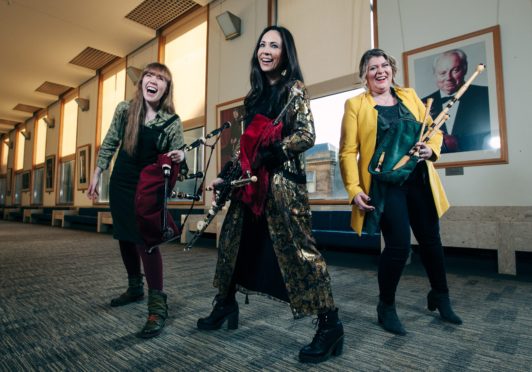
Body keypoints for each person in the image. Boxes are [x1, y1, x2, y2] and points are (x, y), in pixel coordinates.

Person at [197, 26, 344, 364]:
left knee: (301, 255)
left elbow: (306, 134)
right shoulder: (254, 97)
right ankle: (225, 304)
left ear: (284, 54)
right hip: (248, 186)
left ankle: (330, 324)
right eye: (262, 44)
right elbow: (243, 150)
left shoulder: (294, 89)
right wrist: (226, 175)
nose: (265, 50)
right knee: (234, 243)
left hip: (281, 188)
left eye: (273, 46)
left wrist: (274, 148)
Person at [339, 48, 462, 336]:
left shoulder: (409, 96)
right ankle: (386, 306)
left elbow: (434, 130)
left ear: (392, 69)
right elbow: (347, 152)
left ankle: (440, 296)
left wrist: (429, 149)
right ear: (365, 76)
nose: (380, 71)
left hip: (418, 179)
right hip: (386, 186)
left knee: (432, 241)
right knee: (398, 247)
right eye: (372, 68)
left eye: (384, 65)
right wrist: (354, 188)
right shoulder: (355, 104)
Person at [87, 62, 186, 338]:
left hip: (148, 187)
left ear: (166, 88)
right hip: (121, 182)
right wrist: (97, 173)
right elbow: (109, 143)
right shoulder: (124, 110)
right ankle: (134, 287)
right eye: (150, 76)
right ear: (142, 82)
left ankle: (157, 304)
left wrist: (181, 157)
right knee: (125, 236)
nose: (154, 81)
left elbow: (179, 157)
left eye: (161, 79)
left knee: (147, 241)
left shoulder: (171, 122)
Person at [422, 49, 490, 153]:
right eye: (442, 73)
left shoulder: (485, 95)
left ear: (465, 69)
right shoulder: (422, 104)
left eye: (455, 70)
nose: (448, 78)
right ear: (434, 74)